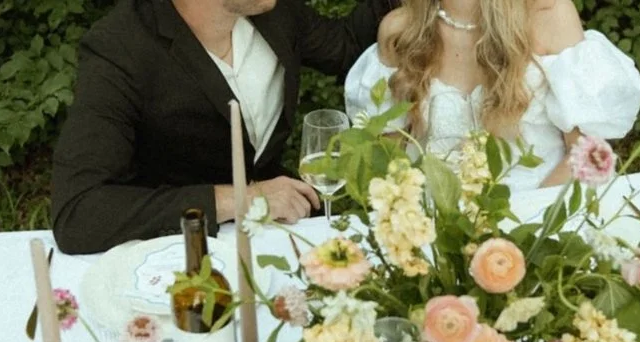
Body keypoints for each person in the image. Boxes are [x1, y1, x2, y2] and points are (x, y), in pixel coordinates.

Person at [52, 0, 398, 255]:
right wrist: (242, 198)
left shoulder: (274, 11)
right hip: (173, 258)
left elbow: (348, 46)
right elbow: (79, 212)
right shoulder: (121, 48)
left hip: (276, 240)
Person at [344, 0, 640, 189]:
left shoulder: (550, 13)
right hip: (431, 228)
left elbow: (584, 156)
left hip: (540, 214)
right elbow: (385, 157)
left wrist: (522, 237)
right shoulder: (400, 29)